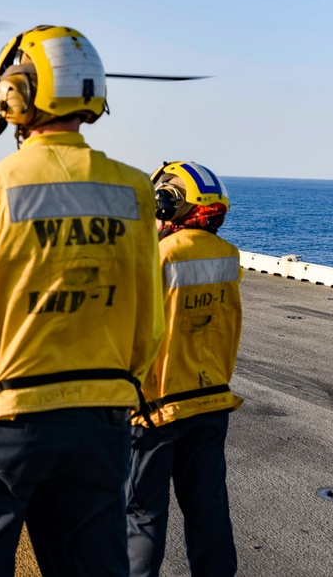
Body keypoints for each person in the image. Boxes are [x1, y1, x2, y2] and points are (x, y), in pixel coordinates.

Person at [0, 25, 164, 576]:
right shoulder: (134, 193)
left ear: (13, 96)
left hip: (7, 423)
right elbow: (150, 330)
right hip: (102, 423)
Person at [126, 161, 242, 577]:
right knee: (208, 512)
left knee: (143, 518)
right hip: (210, 402)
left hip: (156, 409)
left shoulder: (158, 257)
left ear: (167, 205)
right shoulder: (229, 257)